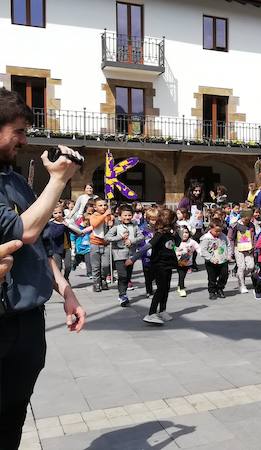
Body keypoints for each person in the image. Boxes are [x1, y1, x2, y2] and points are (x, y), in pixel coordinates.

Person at [0, 88, 86, 449]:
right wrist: (59, 180)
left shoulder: (16, 180)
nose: (24, 140)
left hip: (28, 322)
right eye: (18, 131)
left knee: (13, 414)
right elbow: (23, 231)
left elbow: (37, 247)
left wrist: (65, 290)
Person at [144, 208, 179, 325]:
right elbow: (148, 246)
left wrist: (176, 232)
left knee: (166, 288)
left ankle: (162, 310)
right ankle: (151, 313)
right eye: (174, 221)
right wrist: (133, 259)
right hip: (159, 265)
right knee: (160, 289)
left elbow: (178, 243)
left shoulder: (170, 233)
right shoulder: (159, 234)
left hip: (168, 264)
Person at [104, 204, 144, 307]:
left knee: (128, 276)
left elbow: (141, 237)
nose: (127, 217)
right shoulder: (116, 227)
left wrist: (132, 241)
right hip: (119, 254)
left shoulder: (135, 226)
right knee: (122, 275)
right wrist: (119, 237)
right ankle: (122, 295)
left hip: (131, 255)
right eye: (125, 215)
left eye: (129, 215)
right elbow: (107, 237)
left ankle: (124, 292)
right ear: (120, 216)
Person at [200, 219, 231, 300]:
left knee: (224, 275)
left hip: (223, 260)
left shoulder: (223, 236)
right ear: (211, 228)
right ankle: (212, 291)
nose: (218, 233)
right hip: (211, 262)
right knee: (212, 277)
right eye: (216, 231)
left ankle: (220, 288)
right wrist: (211, 258)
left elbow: (228, 245)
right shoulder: (206, 238)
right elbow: (203, 250)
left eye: (220, 231)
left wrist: (229, 255)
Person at [88, 199, 113, 292]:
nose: (103, 207)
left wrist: (111, 223)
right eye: (100, 205)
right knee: (96, 266)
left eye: (105, 205)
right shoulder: (94, 216)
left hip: (106, 243)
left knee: (106, 265)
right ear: (95, 207)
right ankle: (96, 282)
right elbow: (95, 224)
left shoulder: (109, 216)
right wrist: (104, 215)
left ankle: (103, 278)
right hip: (95, 243)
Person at [175, 227, 199, 297]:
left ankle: (179, 285)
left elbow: (198, 247)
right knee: (181, 274)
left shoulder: (192, 241)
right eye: (182, 233)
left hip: (187, 261)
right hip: (178, 261)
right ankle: (182, 289)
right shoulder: (177, 241)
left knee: (183, 274)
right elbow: (172, 249)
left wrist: (202, 253)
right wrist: (177, 253)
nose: (184, 234)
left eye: (186, 232)